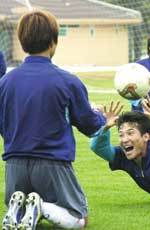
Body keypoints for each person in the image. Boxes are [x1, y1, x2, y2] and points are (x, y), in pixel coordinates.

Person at [1, 10, 106, 229]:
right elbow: (90, 125)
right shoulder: (67, 81)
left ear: (21, 42)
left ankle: (19, 212)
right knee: (79, 218)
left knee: (25, 214)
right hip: (52, 163)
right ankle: (42, 207)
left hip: (14, 164)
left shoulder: (5, 82)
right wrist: (103, 118)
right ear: (54, 42)